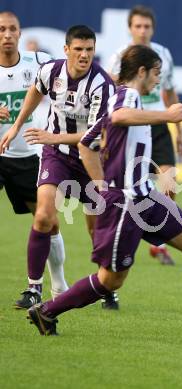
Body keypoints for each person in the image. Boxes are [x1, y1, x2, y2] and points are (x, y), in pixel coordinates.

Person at [26, 45, 182, 339]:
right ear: (142, 72)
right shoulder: (127, 96)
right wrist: (167, 116)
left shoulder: (120, 101)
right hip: (125, 203)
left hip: (146, 197)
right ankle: (47, 311)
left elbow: (86, 142)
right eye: (156, 74)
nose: (158, 80)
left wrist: (99, 183)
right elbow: (121, 117)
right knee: (110, 281)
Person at [0, 25, 117, 309]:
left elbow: (94, 134)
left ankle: (107, 286)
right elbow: (34, 92)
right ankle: (34, 289)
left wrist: (53, 136)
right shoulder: (50, 71)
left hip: (90, 160)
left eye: (89, 49)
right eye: (78, 49)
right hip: (56, 156)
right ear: (66, 50)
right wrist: (16, 126)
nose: (84, 55)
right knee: (42, 216)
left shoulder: (102, 84)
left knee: (97, 229)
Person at [107, 5, 182, 266]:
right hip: (132, 124)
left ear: (153, 29)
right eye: (138, 26)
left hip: (160, 123)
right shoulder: (121, 56)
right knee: (130, 187)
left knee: (170, 183)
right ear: (130, 29)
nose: (142, 31)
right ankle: (133, 231)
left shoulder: (163, 54)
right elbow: (110, 91)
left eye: (147, 26)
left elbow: (170, 92)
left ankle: (158, 240)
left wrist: (180, 132)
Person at [0, 11, 68, 304]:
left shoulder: (38, 62)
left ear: (20, 32)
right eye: (1, 29)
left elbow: (69, 81)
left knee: (48, 221)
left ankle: (58, 284)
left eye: (12, 29)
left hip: (29, 155)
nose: (6, 35)